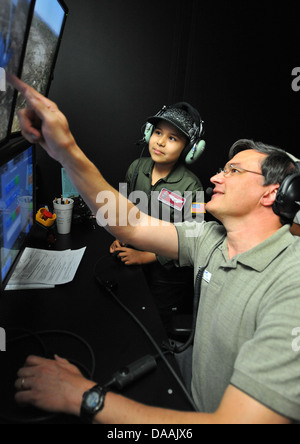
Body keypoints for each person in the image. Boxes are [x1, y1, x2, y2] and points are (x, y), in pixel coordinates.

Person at [11, 76, 300, 424]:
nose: (215, 178)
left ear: (272, 193)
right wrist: (65, 149)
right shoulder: (210, 238)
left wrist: (83, 396)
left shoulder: (292, 285)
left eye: (234, 171)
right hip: (186, 392)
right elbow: (129, 223)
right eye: (223, 169)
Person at [110, 103, 204, 331]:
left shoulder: (194, 186)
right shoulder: (135, 168)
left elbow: (193, 238)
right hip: (131, 264)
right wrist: (119, 234)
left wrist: (146, 257)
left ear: (189, 149)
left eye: (173, 138)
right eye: (158, 132)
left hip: (167, 279)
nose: (160, 142)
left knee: (154, 328)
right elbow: (124, 209)